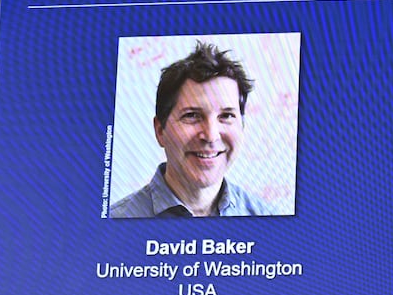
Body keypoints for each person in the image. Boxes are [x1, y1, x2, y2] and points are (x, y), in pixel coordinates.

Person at [110, 41, 282, 218]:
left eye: (226, 116)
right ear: (160, 131)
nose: (211, 136)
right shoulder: (114, 225)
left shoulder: (270, 221)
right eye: (192, 115)